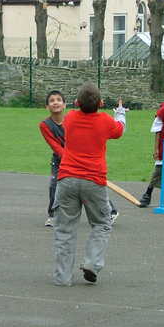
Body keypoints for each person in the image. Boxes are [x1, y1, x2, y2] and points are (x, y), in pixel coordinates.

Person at [52, 83, 127, 286]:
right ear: (101, 103)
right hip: (94, 180)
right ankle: (92, 263)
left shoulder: (70, 118)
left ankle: (62, 277)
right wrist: (120, 113)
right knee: (102, 223)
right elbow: (120, 130)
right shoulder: (104, 120)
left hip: (67, 178)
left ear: (76, 103)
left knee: (64, 230)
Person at [39, 90, 119, 228]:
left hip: (80, 162)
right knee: (54, 186)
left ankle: (110, 211)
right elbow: (55, 146)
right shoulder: (45, 125)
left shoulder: (71, 119)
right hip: (62, 161)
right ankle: (53, 215)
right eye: (52, 101)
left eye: (59, 100)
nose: (55, 102)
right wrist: (70, 160)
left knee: (91, 186)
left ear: (64, 105)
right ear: (47, 106)